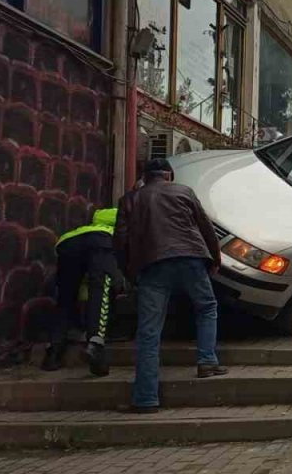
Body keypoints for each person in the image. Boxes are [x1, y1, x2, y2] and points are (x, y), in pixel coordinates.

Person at [115, 158, 227, 414]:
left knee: (149, 332)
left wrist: (129, 272)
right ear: (169, 175)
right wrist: (214, 259)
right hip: (190, 257)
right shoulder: (184, 192)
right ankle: (207, 360)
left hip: (152, 263)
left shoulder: (130, 199)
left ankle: (145, 399)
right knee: (206, 307)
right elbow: (206, 228)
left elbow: (120, 239)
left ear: (144, 177)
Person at [43, 207, 124, 377]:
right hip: (101, 243)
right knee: (100, 289)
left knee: (65, 296)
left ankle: (53, 351)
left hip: (67, 243)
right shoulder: (123, 222)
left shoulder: (91, 224)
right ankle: (95, 344)